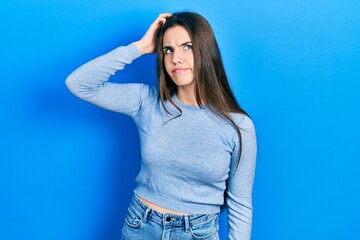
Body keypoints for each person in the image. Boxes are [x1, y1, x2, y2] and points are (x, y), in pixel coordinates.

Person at [66, 11, 257, 240]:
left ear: (206, 50)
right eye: (168, 50)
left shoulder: (238, 126)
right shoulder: (146, 101)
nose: (176, 58)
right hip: (141, 226)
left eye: (187, 46)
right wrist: (140, 47)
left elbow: (240, 204)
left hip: (198, 233)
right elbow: (79, 83)